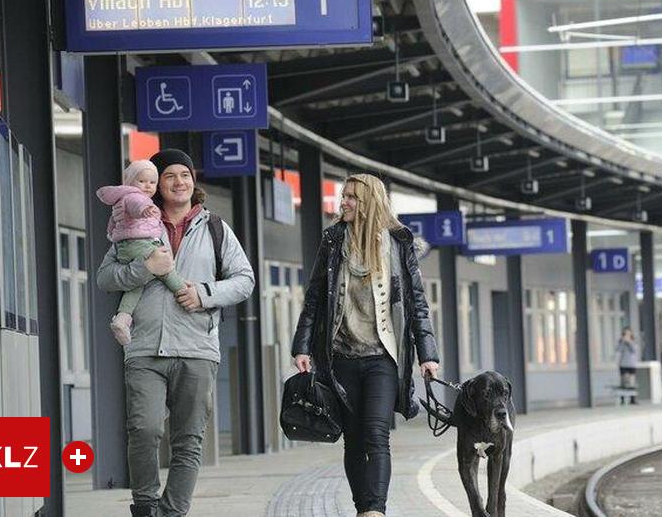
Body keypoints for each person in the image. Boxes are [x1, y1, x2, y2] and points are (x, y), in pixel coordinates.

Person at [97, 149, 255, 517]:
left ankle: (172, 512)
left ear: (193, 182)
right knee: (144, 428)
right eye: (169, 175)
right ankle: (146, 504)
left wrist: (204, 294)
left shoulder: (215, 228)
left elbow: (244, 279)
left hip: (197, 347)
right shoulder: (133, 224)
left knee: (188, 440)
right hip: (145, 347)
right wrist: (144, 269)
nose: (178, 182)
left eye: (185, 174)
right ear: (155, 184)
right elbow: (105, 277)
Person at [291, 174, 440, 517]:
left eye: (351, 197)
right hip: (341, 356)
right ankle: (363, 508)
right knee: (354, 439)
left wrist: (428, 355)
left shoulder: (398, 243)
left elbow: (417, 303)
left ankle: (376, 510)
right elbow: (314, 298)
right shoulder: (333, 240)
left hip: (382, 358)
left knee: (376, 434)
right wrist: (302, 347)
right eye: (343, 196)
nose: (343, 202)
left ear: (369, 201)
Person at [96, 159, 189, 346]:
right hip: (139, 244)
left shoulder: (122, 199)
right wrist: (145, 210)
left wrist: (113, 235)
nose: (147, 186)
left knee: (137, 283)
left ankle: (122, 318)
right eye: (142, 181)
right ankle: (184, 291)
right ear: (131, 182)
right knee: (164, 268)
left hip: (126, 245)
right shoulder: (135, 197)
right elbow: (136, 206)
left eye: (152, 182)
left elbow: (114, 223)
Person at [615, 327, 640, 405]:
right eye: (625, 334)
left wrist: (629, 342)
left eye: (628, 334)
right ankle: (622, 398)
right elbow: (618, 350)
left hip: (632, 364)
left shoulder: (634, 342)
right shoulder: (621, 342)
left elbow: (634, 350)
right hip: (623, 364)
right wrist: (623, 342)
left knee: (632, 382)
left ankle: (632, 398)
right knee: (624, 381)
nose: (627, 335)